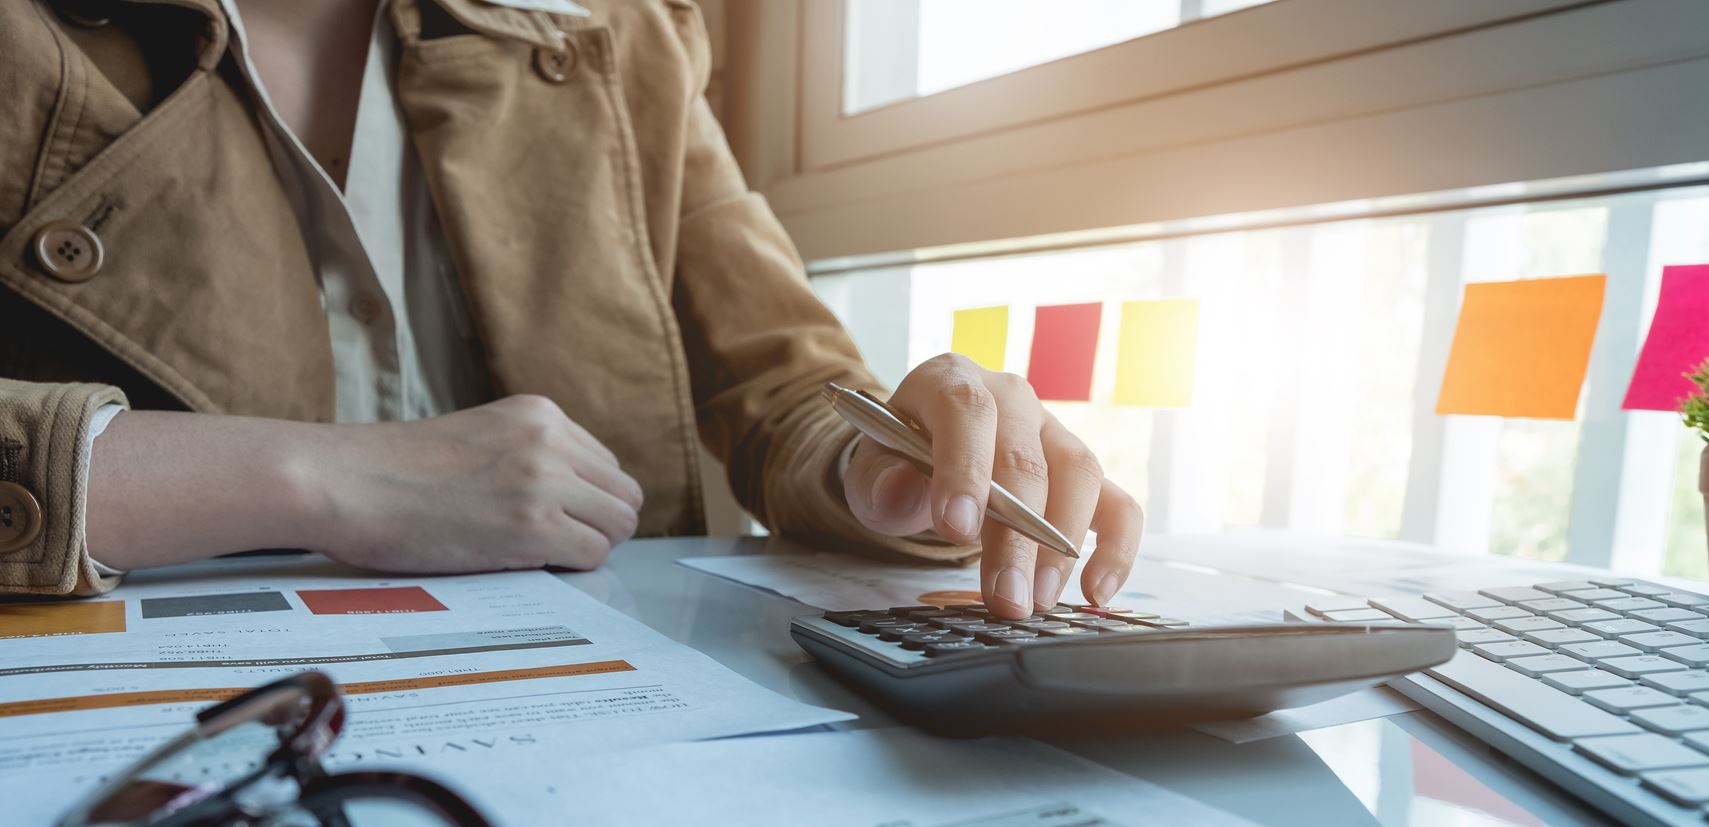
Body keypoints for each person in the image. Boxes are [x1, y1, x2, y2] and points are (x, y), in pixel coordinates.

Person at [0, 0, 1141, 620]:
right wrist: (324, 477)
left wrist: (876, 469)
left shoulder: (625, 31)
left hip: (602, 716)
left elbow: (790, 391)